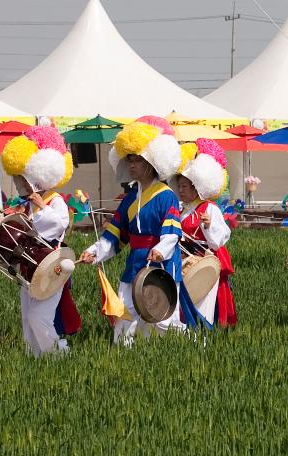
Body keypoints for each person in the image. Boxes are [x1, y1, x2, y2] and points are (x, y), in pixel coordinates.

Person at [79, 115, 191, 344]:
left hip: (163, 266)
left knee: (163, 319)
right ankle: (123, 354)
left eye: (137, 160)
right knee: (124, 311)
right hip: (135, 263)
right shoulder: (129, 198)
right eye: (129, 159)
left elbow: (172, 234)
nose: (131, 164)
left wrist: (160, 250)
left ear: (151, 163)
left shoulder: (167, 196)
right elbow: (114, 236)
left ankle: (189, 350)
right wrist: (94, 251)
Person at [0, 125, 80, 355]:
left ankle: (57, 354)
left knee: (39, 316)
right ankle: (35, 356)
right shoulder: (28, 205)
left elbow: (58, 225)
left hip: (51, 264)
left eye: (25, 179)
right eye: (20, 180)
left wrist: (41, 207)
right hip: (30, 266)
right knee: (27, 315)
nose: (22, 185)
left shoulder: (56, 201)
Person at [173, 137, 236, 329]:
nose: (181, 190)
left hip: (204, 263)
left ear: (197, 187)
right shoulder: (182, 209)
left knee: (203, 302)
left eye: (185, 186)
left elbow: (219, 241)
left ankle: (204, 332)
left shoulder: (209, 208)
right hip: (185, 263)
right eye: (180, 186)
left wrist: (208, 228)